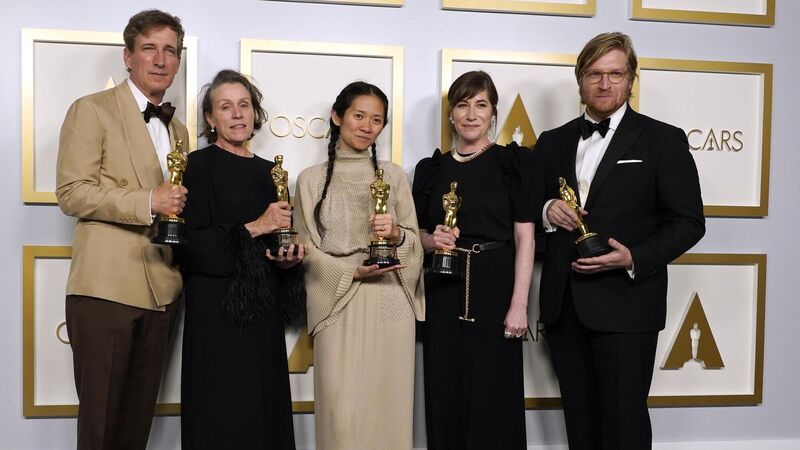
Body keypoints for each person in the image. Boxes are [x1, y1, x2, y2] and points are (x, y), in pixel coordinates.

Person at [533, 32, 705, 449]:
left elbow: (688, 222)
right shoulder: (551, 141)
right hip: (565, 309)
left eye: (615, 74)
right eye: (595, 74)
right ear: (580, 79)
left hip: (628, 307)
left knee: (625, 428)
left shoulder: (663, 139)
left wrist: (633, 258)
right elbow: (526, 213)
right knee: (580, 428)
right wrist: (547, 211)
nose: (605, 84)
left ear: (631, 79)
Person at [55, 10, 189, 449]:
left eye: (170, 50)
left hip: (163, 293)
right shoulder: (91, 109)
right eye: (149, 48)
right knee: (101, 430)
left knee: (135, 430)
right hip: (105, 290)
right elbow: (72, 192)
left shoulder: (180, 130)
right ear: (128, 56)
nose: (160, 59)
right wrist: (148, 202)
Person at [178, 69, 305, 450]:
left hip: (263, 314)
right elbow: (189, 246)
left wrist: (287, 260)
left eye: (244, 105)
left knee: (263, 411)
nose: (237, 114)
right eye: (225, 107)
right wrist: (256, 225)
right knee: (220, 412)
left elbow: (275, 245)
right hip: (214, 316)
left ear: (255, 113)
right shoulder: (195, 167)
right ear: (210, 118)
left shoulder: (272, 172)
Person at [293, 81, 424, 449]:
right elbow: (305, 248)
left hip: (391, 303)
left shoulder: (395, 176)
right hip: (337, 302)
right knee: (341, 418)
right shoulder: (310, 179)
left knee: (389, 412)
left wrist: (395, 235)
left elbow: (414, 245)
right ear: (337, 117)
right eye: (359, 116)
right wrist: (350, 271)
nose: (367, 127)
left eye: (377, 120)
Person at [413, 70, 536, 450]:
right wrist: (432, 239)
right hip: (442, 289)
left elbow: (525, 238)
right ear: (451, 114)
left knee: (493, 397)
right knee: (445, 392)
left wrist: (519, 305)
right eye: (462, 105)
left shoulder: (512, 163)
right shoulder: (430, 170)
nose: (471, 114)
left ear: (493, 113)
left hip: (495, 288)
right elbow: (415, 235)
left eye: (481, 105)